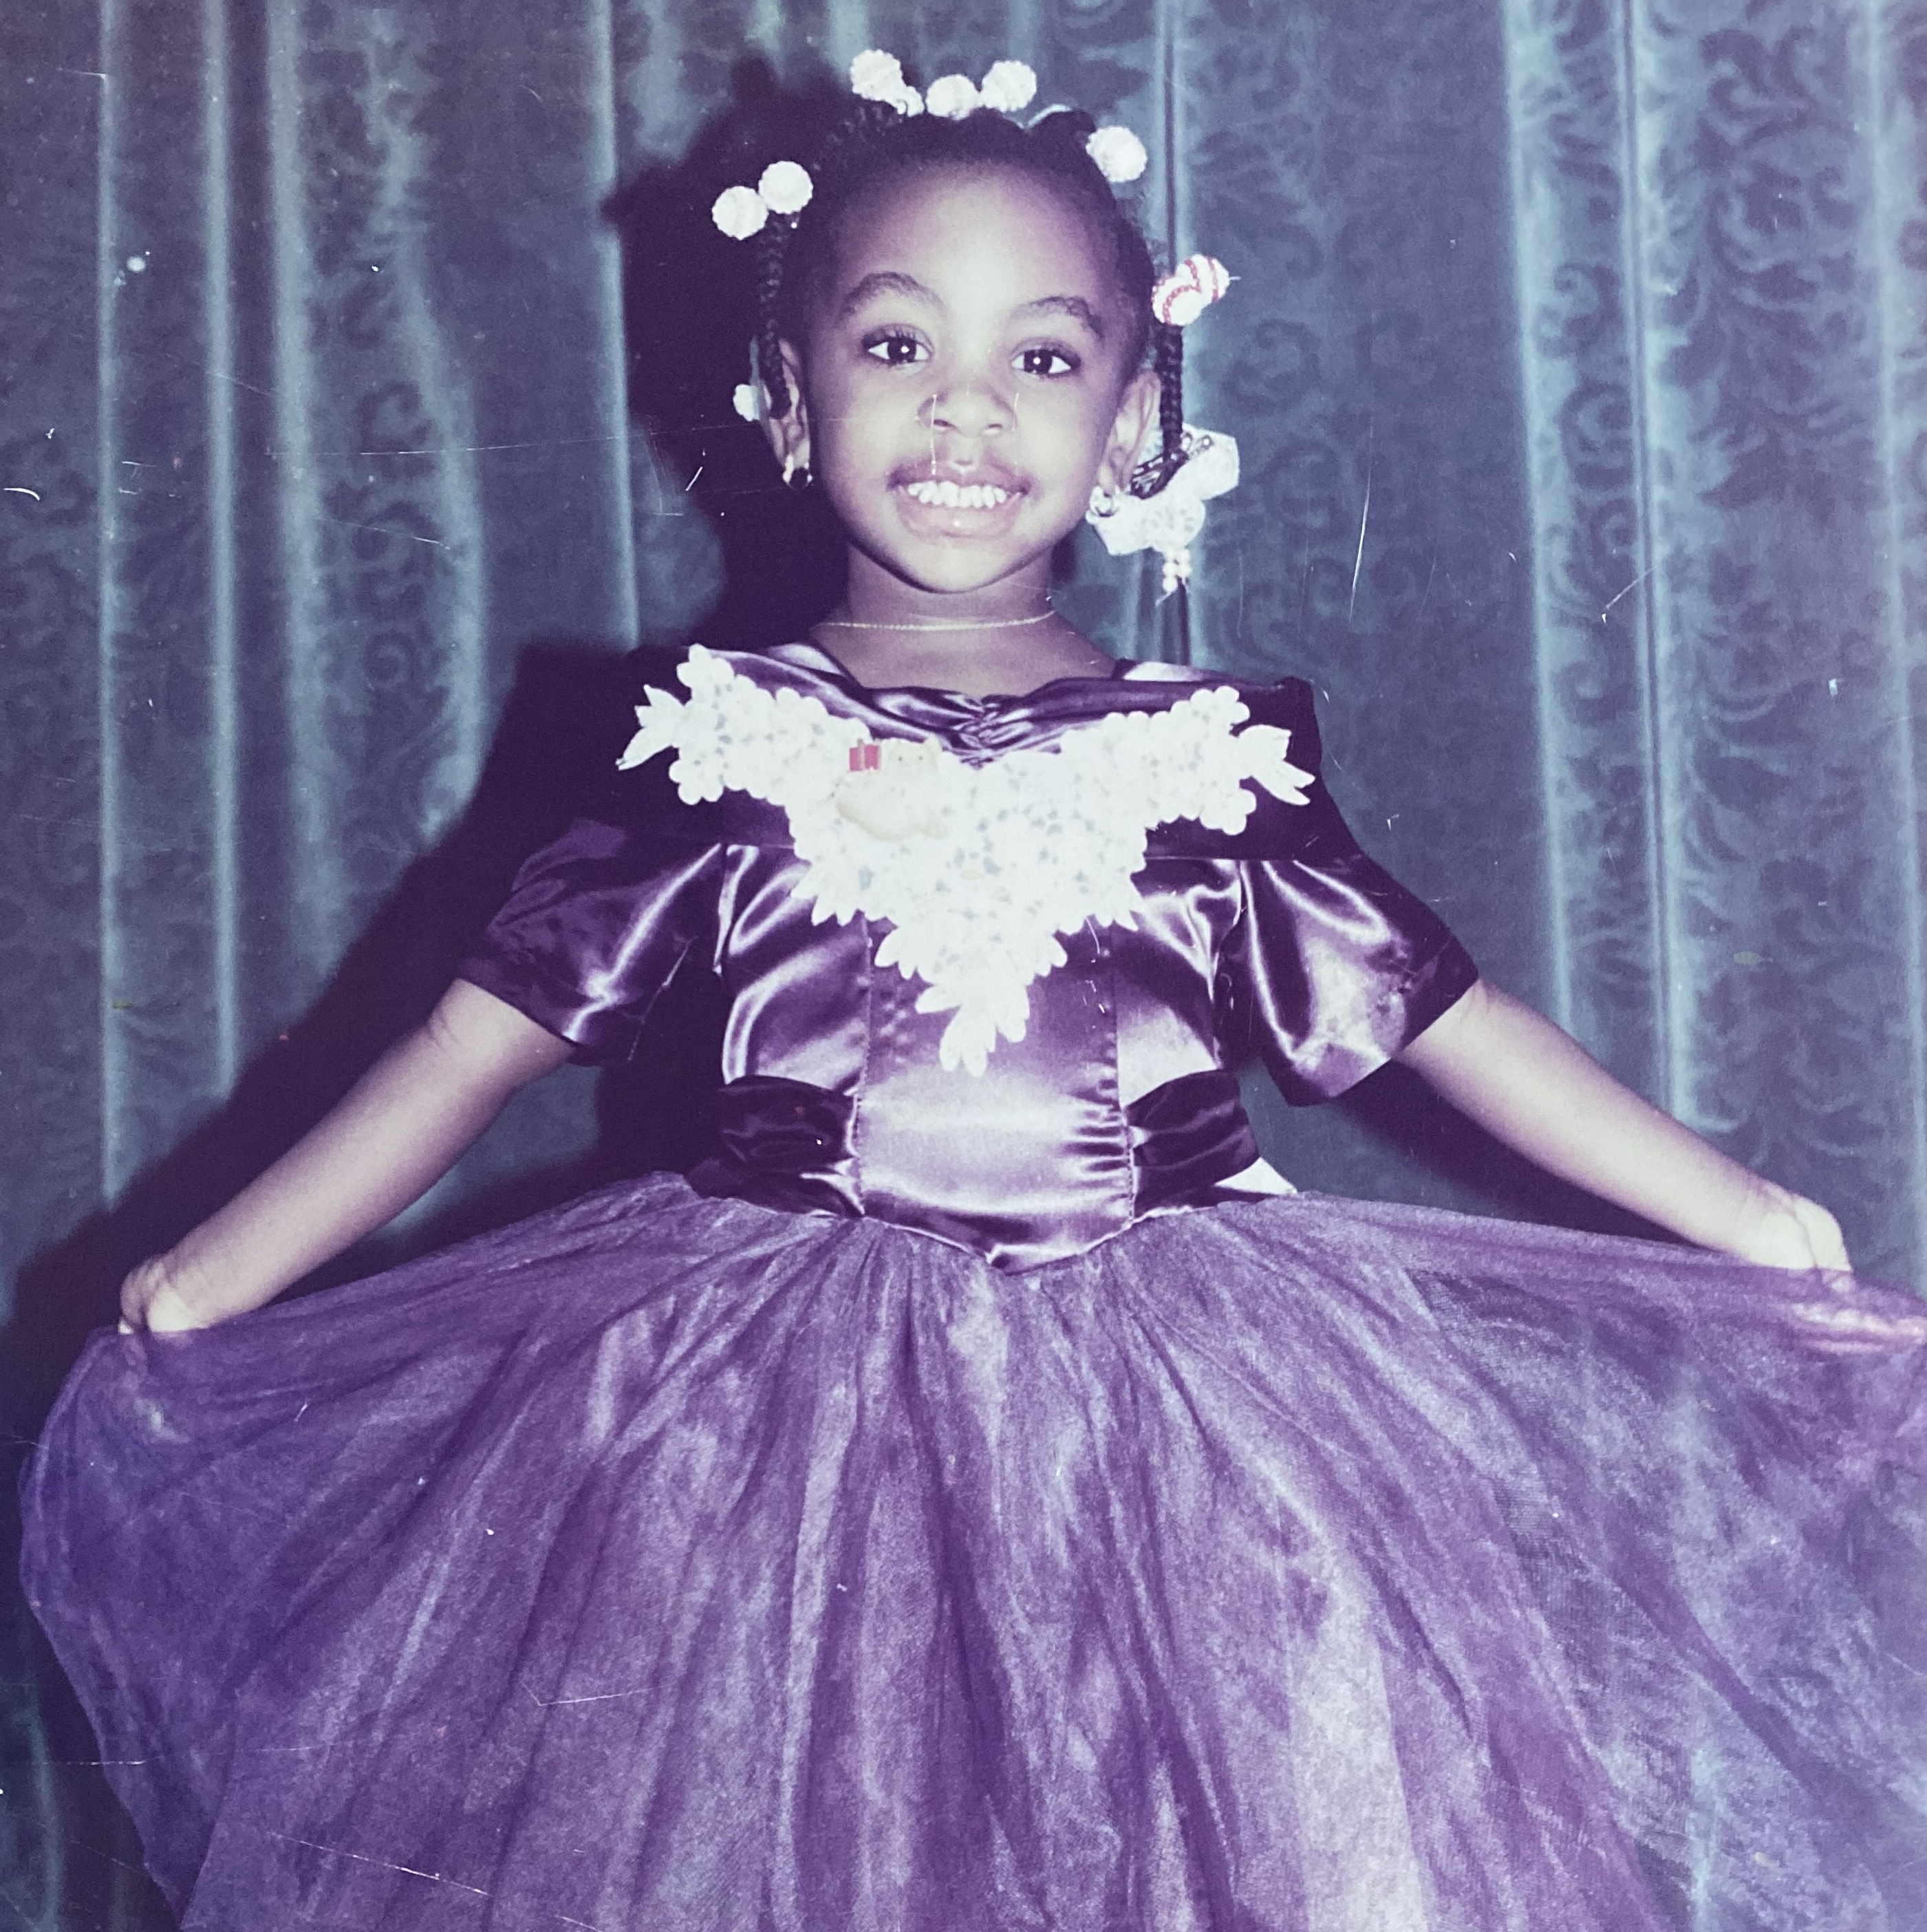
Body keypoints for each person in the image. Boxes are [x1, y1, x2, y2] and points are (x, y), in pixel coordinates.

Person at [22, 52, 1927, 1932]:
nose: (964, 413)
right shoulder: (717, 748)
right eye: (891, 348)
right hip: (762, 1432)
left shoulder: (1207, 765)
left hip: (1192, 1429)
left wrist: (1750, 1217)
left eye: (1039, 356)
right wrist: (215, 1274)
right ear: (783, 397)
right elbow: (467, 1044)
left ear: (1134, 412)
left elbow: (1453, 1020)